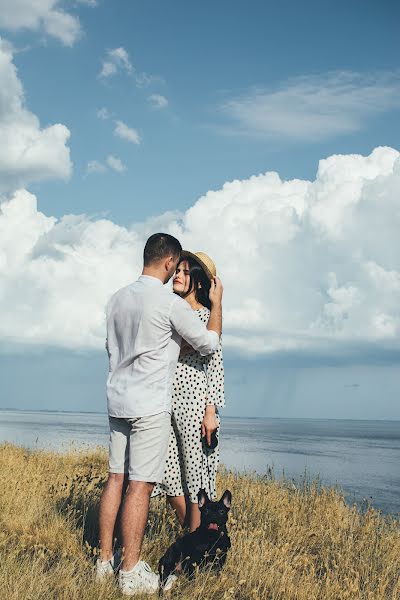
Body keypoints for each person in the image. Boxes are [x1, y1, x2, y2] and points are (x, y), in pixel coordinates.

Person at [96, 234, 223, 596]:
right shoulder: (169, 304)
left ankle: (104, 562)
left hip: (117, 400)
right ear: (168, 262)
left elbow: (111, 347)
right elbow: (209, 344)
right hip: (149, 405)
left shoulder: (116, 299)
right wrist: (217, 306)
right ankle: (131, 570)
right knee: (141, 486)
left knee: (115, 480)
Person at [153, 251, 225, 533]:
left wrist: (211, 411)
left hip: (194, 401)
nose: (177, 276)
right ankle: (193, 536)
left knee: (196, 479)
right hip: (164, 401)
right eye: (177, 270)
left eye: (185, 272)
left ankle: (195, 544)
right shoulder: (169, 311)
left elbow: (216, 365)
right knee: (168, 476)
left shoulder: (208, 316)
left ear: (197, 281)